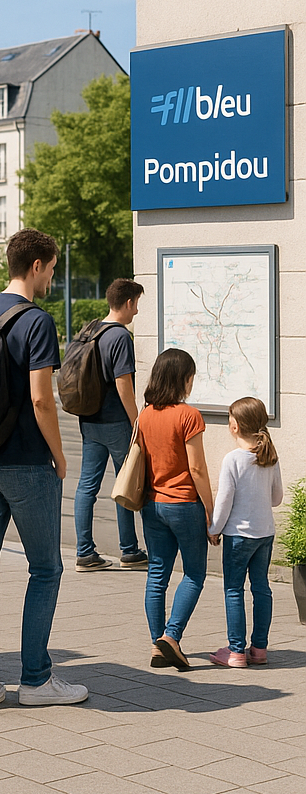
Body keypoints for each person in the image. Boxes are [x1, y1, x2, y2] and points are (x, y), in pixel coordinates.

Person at [0, 228, 88, 711]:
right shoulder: (36, 321)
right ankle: (35, 679)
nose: (53, 276)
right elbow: (41, 399)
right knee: (46, 568)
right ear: (35, 266)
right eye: (52, 268)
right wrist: (58, 456)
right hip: (26, 462)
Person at [139, 348, 214, 670]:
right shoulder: (188, 415)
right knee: (195, 574)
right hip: (184, 504)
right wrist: (212, 512)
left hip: (152, 505)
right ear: (184, 378)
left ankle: (158, 644)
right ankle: (171, 636)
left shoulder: (145, 415)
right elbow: (197, 469)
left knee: (157, 575)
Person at [73, 278, 148, 571]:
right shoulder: (119, 337)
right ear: (128, 302)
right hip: (116, 421)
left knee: (86, 486)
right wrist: (136, 421)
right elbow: (123, 385)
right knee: (126, 483)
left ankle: (84, 552)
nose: (137, 312)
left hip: (89, 419)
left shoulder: (91, 329)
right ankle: (129, 551)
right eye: (137, 305)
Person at [207, 396, 282, 668]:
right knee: (262, 588)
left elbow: (224, 500)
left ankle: (236, 651)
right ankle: (259, 649)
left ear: (234, 426)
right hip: (265, 533)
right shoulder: (270, 457)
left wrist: (214, 529)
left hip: (238, 536)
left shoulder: (233, 460)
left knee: (233, 589)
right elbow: (277, 498)